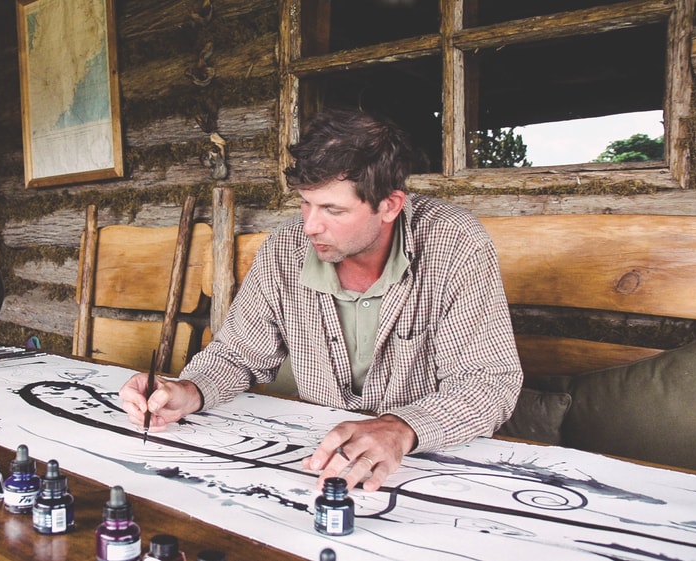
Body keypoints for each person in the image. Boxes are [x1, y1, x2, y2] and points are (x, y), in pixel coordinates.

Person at [119, 108, 522, 492]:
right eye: (305, 202)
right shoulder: (285, 249)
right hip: (315, 463)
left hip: (428, 465)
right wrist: (190, 389)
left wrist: (401, 428)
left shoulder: (455, 243)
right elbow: (237, 356)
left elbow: (489, 381)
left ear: (389, 206)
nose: (310, 225)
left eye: (332, 209)